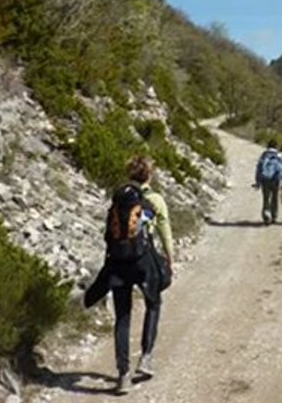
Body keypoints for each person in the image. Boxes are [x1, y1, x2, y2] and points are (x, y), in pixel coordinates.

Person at [108, 156, 173, 395]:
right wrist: (169, 258)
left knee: (122, 317)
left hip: (118, 262)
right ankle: (146, 357)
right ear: (148, 175)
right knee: (153, 304)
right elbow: (165, 231)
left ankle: (123, 374)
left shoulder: (119, 198)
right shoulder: (155, 200)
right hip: (144, 263)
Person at [255, 139, 282, 225]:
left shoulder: (264, 155)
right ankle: (274, 216)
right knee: (274, 198)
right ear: (276, 146)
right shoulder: (278, 156)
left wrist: (257, 181)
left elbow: (258, 169)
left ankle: (266, 214)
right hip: (275, 179)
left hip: (265, 179)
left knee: (266, 198)